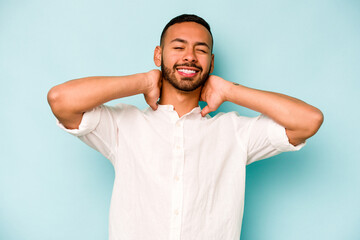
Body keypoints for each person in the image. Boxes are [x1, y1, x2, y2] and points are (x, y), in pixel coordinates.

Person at [47, 14, 323, 240]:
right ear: (159, 55)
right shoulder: (123, 125)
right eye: (178, 47)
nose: (189, 56)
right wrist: (142, 81)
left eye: (200, 50)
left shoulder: (235, 133)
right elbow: (61, 100)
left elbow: (309, 120)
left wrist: (228, 90)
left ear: (211, 62)